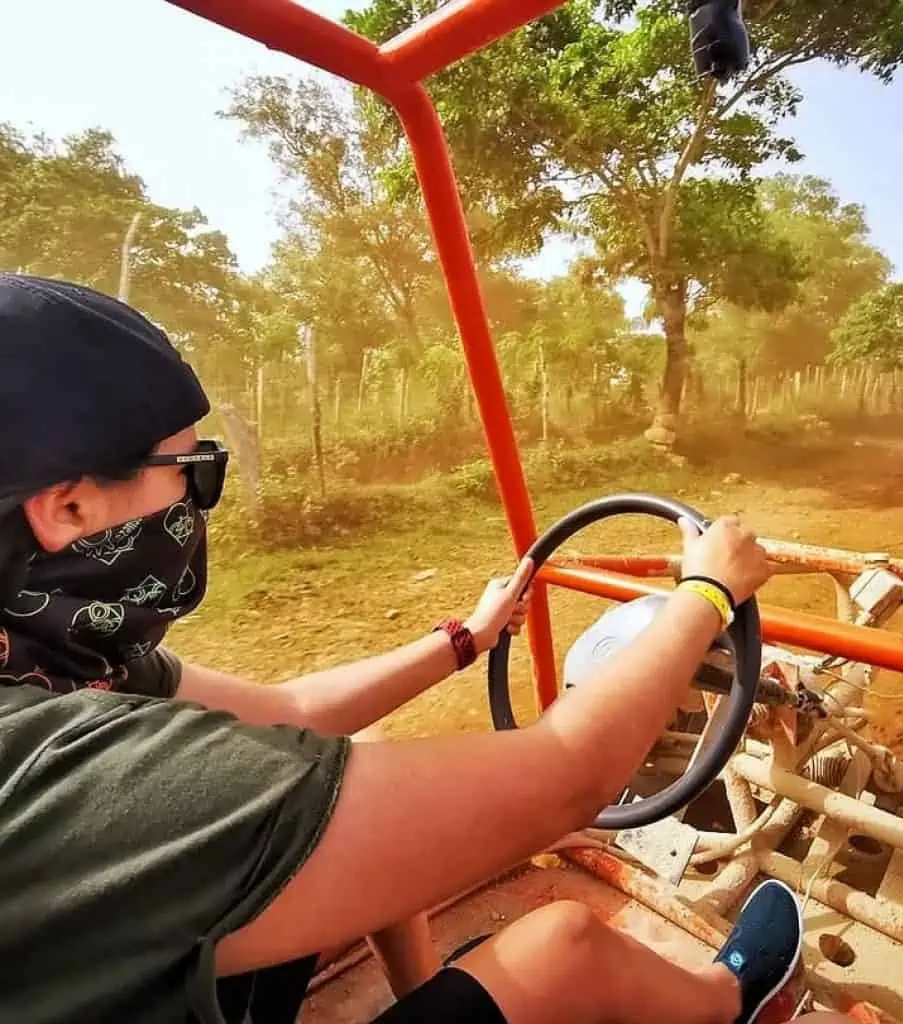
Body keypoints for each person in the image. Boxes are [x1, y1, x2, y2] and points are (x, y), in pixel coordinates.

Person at [0, 273, 848, 1024]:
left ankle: (424, 993)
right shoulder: (71, 776)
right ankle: (736, 1000)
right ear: (69, 508)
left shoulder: (55, 655)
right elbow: (569, 778)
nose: (197, 500)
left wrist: (464, 641)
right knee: (564, 948)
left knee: (346, 764)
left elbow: (293, 710)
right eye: (195, 472)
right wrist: (707, 594)